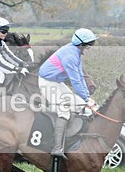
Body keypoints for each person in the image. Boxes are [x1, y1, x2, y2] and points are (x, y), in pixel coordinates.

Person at [38, 28, 98, 158]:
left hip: (56, 82)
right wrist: (87, 99)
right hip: (47, 82)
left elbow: (81, 77)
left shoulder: (76, 52)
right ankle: (57, 148)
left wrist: (86, 97)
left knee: (79, 104)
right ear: (81, 44)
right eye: (89, 44)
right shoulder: (70, 56)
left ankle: (72, 138)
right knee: (64, 109)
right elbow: (75, 81)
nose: (90, 47)